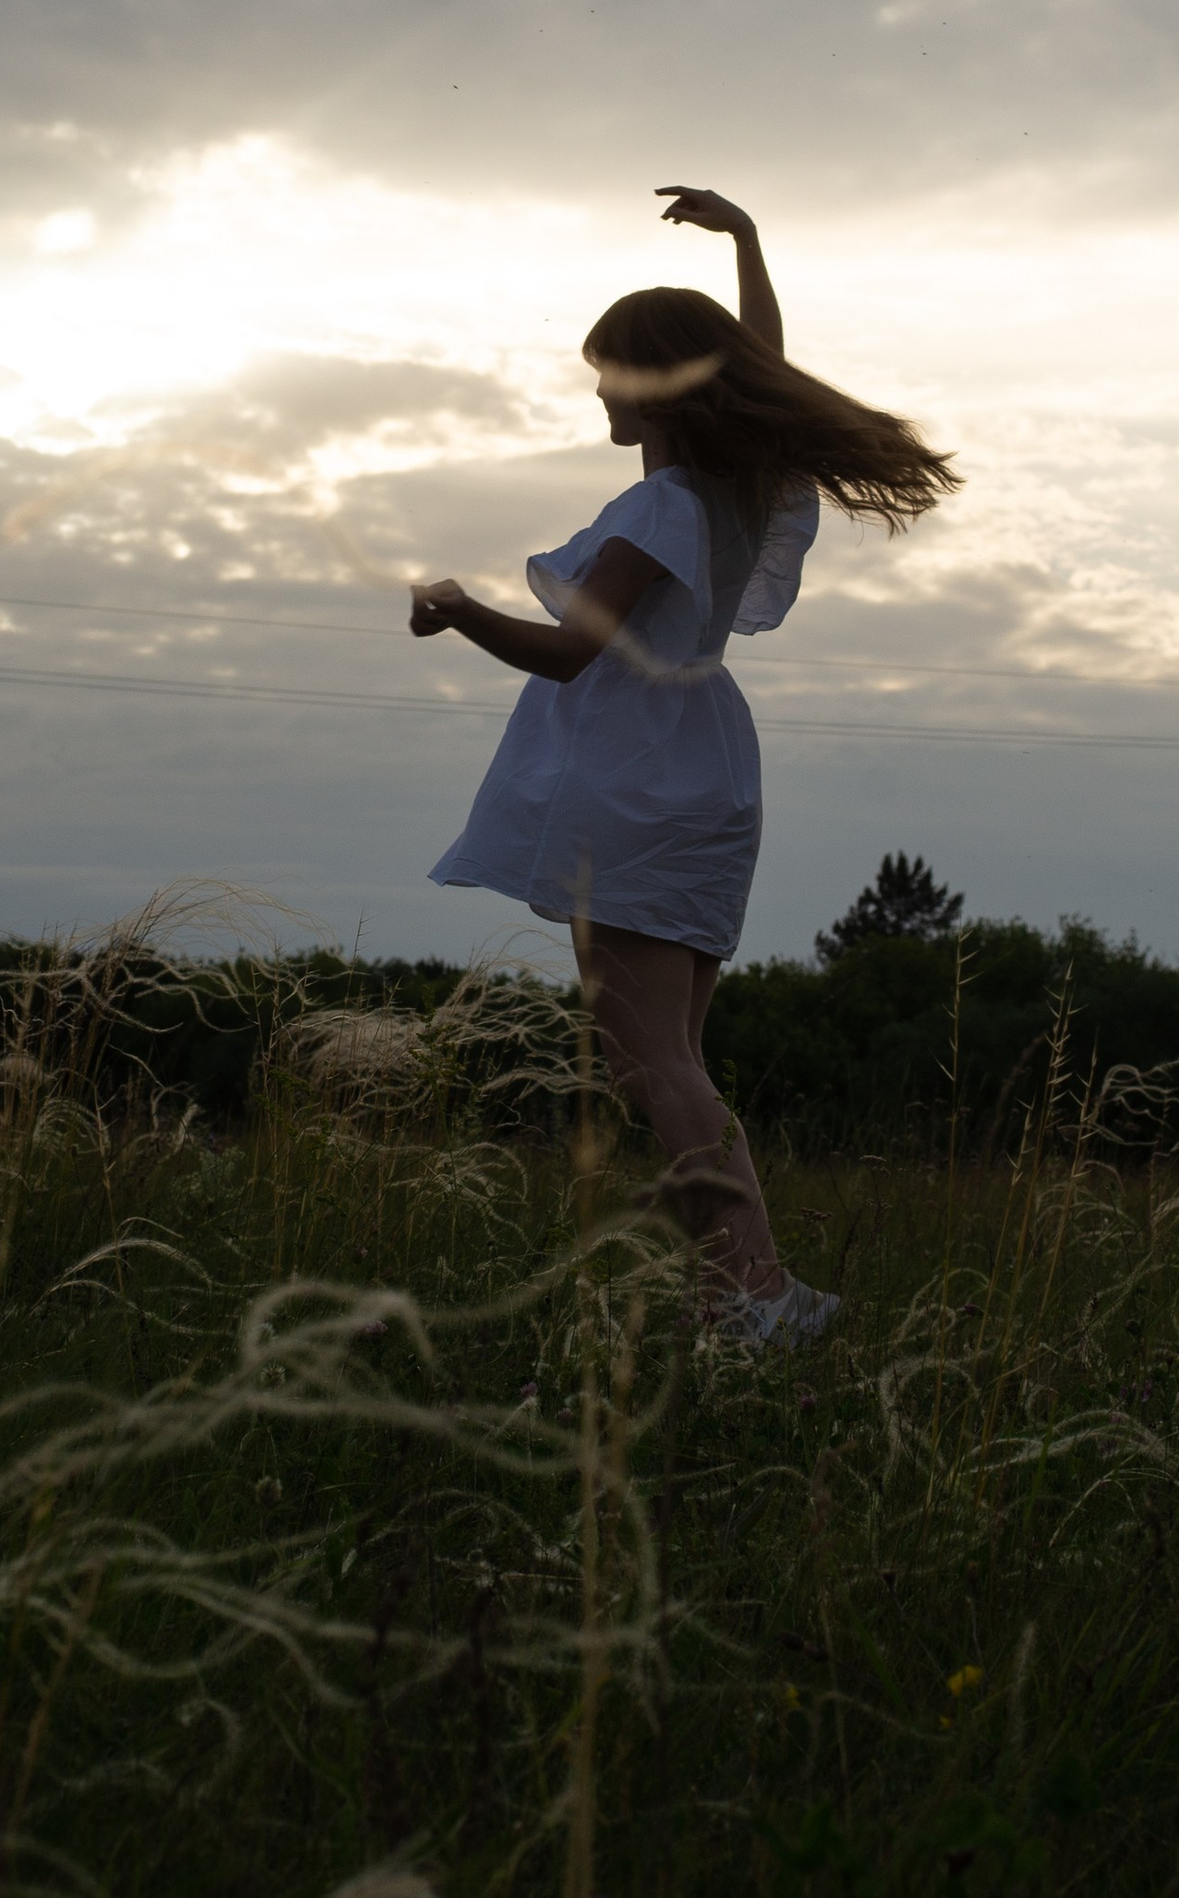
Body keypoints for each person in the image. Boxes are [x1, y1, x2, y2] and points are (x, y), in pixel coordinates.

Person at [410, 187, 959, 1345]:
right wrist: (747, 241)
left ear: (657, 380)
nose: (599, 388)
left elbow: (568, 654)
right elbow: (758, 359)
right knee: (664, 1061)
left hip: (633, 778)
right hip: (702, 764)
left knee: (652, 1061)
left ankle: (756, 1295)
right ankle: (738, 1292)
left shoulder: (661, 505)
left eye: (610, 370)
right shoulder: (734, 490)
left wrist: (456, 608)